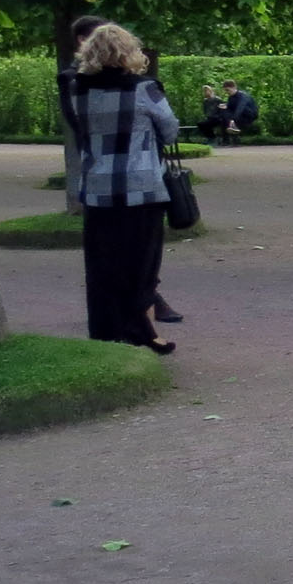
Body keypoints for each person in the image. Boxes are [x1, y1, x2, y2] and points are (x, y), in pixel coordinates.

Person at [64, 21, 179, 354]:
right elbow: (170, 130)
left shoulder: (77, 89)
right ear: (129, 52)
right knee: (142, 264)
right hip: (141, 188)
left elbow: (78, 128)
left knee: (102, 265)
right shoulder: (145, 89)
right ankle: (142, 330)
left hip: (97, 188)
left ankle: (105, 333)